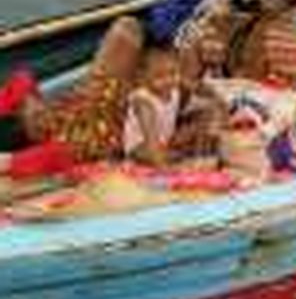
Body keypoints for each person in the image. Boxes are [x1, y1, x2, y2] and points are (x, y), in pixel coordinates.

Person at [0, 17, 145, 178]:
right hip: (112, 120)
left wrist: (27, 102)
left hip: (100, 94)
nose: (41, 115)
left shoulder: (47, 108)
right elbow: (11, 162)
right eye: (35, 123)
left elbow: (21, 79)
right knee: (125, 34)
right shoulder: (57, 148)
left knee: (126, 29)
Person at [124, 49, 183, 168]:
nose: (168, 80)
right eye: (159, 76)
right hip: (140, 145)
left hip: (163, 142)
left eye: (173, 73)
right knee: (150, 153)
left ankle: (165, 156)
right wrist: (162, 165)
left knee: (198, 134)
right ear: (143, 77)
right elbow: (150, 135)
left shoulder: (175, 93)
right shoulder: (143, 100)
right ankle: (160, 160)